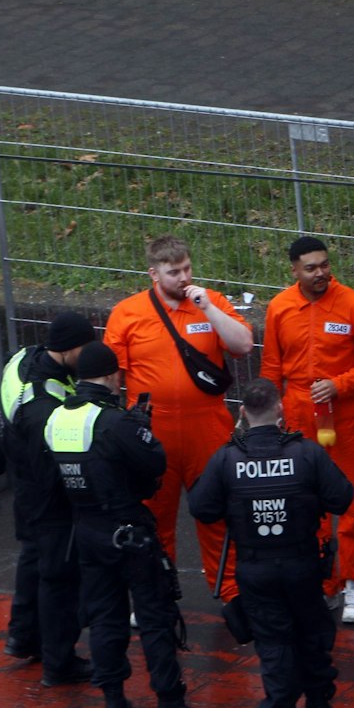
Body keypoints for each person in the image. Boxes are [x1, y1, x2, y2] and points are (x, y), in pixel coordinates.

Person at [45, 342, 218, 708]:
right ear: (110, 376)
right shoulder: (116, 421)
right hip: (129, 532)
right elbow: (154, 462)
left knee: (105, 620)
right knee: (156, 619)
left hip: (86, 531)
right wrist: (140, 425)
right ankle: (170, 706)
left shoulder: (57, 419)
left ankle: (114, 703)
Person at [188, 379, 352, 708]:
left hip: (257, 568)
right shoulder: (307, 453)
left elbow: (201, 507)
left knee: (274, 644)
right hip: (303, 564)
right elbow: (342, 497)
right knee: (312, 635)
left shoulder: (227, 457)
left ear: (242, 413)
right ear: (280, 410)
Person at [104, 236, 252, 599]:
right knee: (152, 515)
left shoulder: (210, 302)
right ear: (154, 273)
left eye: (187, 268)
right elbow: (111, 380)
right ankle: (154, 591)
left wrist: (209, 310)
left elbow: (243, 344)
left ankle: (230, 589)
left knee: (217, 510)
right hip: (152, 429)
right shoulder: (127, 312)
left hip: (207, 424)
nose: (184, 277)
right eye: (174, 272)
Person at [259, 236, 354, 626]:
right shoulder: (280, 308)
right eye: (310, 267)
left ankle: (352, 582)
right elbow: (270, 368)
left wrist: (340, 384)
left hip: (344, 415)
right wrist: (267, 414)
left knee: (351, 497)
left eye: (324, 265)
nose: (320, 273)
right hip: (297, 412)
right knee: (302, 499)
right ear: (294, 270)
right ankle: (320, 580)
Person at [0, 310, 96, 685]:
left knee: (32, 558)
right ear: (69, 349)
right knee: (60, 576)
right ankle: (59, 660)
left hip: (23, 481)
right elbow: (60, 452)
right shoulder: (46, 404)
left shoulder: (22, 359)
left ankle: (22, 636)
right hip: (47, 492)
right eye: (85, 349)